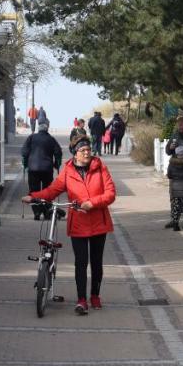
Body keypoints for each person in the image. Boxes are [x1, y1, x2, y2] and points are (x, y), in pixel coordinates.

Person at [23, 135, 116, 315]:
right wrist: (34, 196)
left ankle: (95, 295)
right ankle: (81, 300)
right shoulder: (67, 170)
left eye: (89, 149)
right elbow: (53, 189)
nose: (87, 153)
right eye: (83, 150)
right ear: (75, 153)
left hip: (98, 221)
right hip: (79, 223)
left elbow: (110, 193)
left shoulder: (100, 167)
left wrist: (93, 203)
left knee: (96, 263)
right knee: (80, 263)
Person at [22, 122, 63, 220]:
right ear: (47, 129)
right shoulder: (51, 139)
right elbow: (58, 153)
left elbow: (24, 152)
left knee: (33, 191)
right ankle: (46, 212)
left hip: (33, 169)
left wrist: (26, 164)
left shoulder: (31, 138)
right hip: (47, 169)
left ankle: (36, 212)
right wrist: (56, 165)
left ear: (38, 129)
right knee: (47, 191)